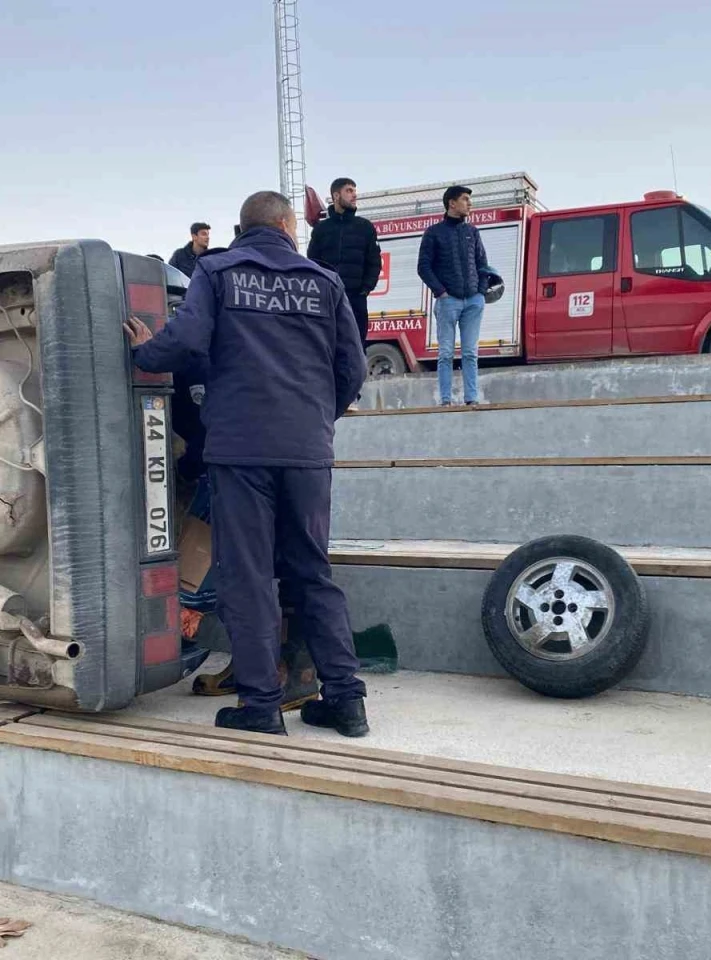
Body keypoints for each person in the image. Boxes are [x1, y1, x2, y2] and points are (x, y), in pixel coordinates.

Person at [126, 191, 370, 737]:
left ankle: (262, 705)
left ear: (241, 229)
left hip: (240, 449)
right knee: (312, 572)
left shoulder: (215, 271)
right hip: (306, 450)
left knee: (249, 575)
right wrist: (315, 420)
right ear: (287, 226)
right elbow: (352, 369)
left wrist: (145, 350)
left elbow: (186, 342)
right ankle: (347, 701)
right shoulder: (324, 282)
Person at [417, 185, 489, 406]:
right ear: (452, 203)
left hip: (473, 301)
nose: (470, 203)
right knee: (446, 353)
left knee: (470, 353)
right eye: (465, 199)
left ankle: (471, 399)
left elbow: (482, 264)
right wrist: (441, 292)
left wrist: (481, 292)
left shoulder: (472, 232)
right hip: (448, 301)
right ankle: (446, 401)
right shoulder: (434, 233)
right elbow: (423, 267)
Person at [306, 177, 382, 351]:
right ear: (336, 195)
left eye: (355, 191)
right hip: (328, 298)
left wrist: (365, 288)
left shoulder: (365, 227)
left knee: (356, 347)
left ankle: (357, 380)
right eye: (349, 191)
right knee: (328, 347)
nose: (354, 195)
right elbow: (313, 262)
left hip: (356, 299)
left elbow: (374, 261)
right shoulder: (321, 230)